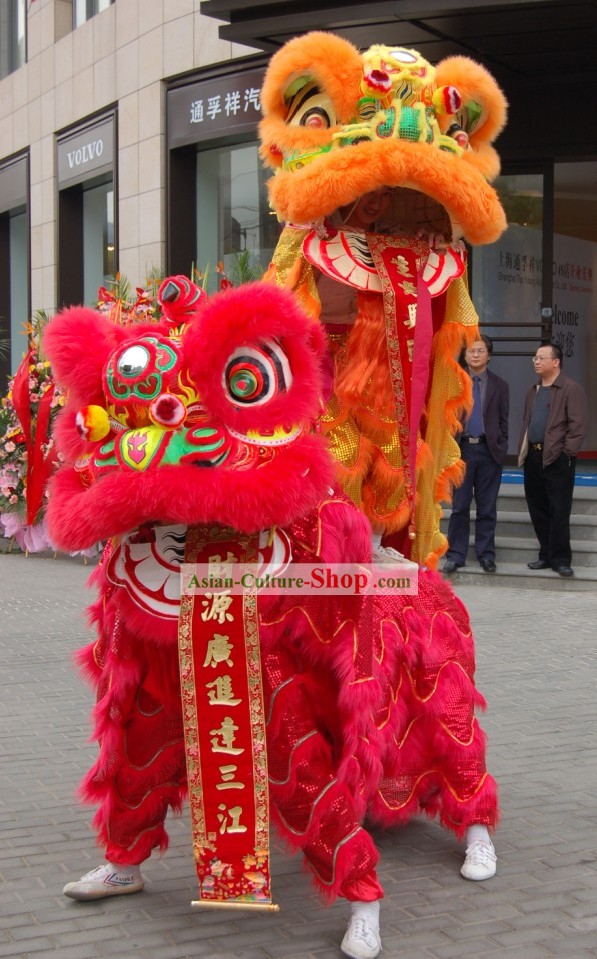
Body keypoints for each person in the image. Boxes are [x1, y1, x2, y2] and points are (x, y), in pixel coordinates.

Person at [518, 342, 588, 577]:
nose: (536, 361)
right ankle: (545, 555)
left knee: (559, 509)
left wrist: (567, 453)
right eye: (535, 358)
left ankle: (561, 559)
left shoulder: (570, 388)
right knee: (538, 508)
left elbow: (577, 427)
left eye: (541, 358)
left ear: (555, 362)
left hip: (558, 458)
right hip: (534, 457)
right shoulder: (533, 390)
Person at [442, 335, 509, 573]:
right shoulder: (455, 384)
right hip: (462, 451)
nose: (475, 355)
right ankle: (456, 554)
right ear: (465, 355)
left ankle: (486, 554)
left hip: (489, 452)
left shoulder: (501, 386)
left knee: (487, 507)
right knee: (459, 506)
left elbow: (503, 421)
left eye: (480, 351)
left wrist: (501, 447)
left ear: (489, 355)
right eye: (471, 351)